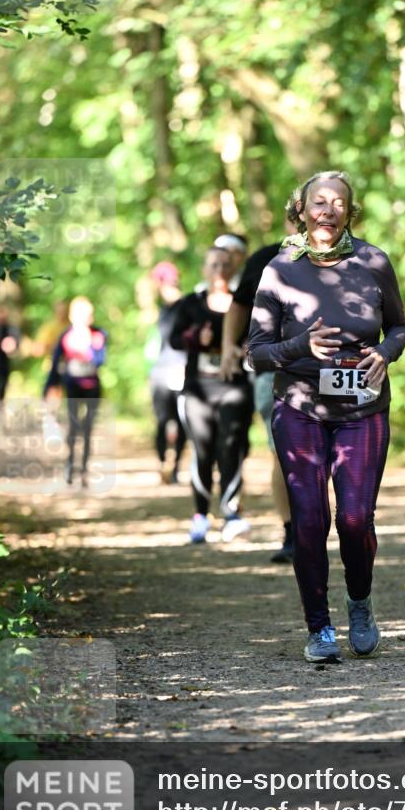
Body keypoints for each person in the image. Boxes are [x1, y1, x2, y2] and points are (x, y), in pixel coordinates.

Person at [248, 171, 405, 662]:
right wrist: (302, 344)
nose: (329, 210)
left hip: (363, 408)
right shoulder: (279, 269)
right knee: (310, 520)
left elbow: (399, 327)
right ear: (301, 209)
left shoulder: (373, 261)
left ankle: (359, 603)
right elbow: (256, 353)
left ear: (350, 212)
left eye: (339, 203)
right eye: (319, 201)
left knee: (356, 519)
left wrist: (385, 352)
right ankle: (318, 628)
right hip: (299, 408)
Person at [220, 222, 296, 563]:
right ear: (289, 221)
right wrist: (227, 348)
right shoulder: (265, 258)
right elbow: (237, 306)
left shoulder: (346, 259)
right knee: (282, 451)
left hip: (328, 371)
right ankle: (293, 533)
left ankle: (324, 525)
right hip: (272, 371)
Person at [169, 246, 254, 543]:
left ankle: (231, 514)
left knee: (230, 449)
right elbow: (174, 339)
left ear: (233, 270)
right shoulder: (191, 303)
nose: (219, 269)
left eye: (225, 264)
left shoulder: (243, 304)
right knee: (203, 452)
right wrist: (196, 337)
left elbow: (260, 335)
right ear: (204, 269)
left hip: (234, 387)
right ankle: (201, 516)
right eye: (213, 264)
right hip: (198, 390)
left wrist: (247, 348)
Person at [44, 296, 107, 488]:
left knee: (88, 429)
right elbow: (55, 365)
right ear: (73, 317)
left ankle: (85, 470)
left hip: (92, 388)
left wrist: (88, 345)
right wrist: (48, 388)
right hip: (72, 386)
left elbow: (100, 360)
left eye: (89, 314)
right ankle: (70, 466)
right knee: (73, 427)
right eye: (83, 315)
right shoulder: (65, 336)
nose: (87, 318)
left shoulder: (98, 334)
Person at [146, 262, 188, 484]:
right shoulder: (162, 311)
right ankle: (164, 464)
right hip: (160, 373)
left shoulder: (187, 307)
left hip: (180, 371)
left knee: (181, 422)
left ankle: (175, 468)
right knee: (162, 421)